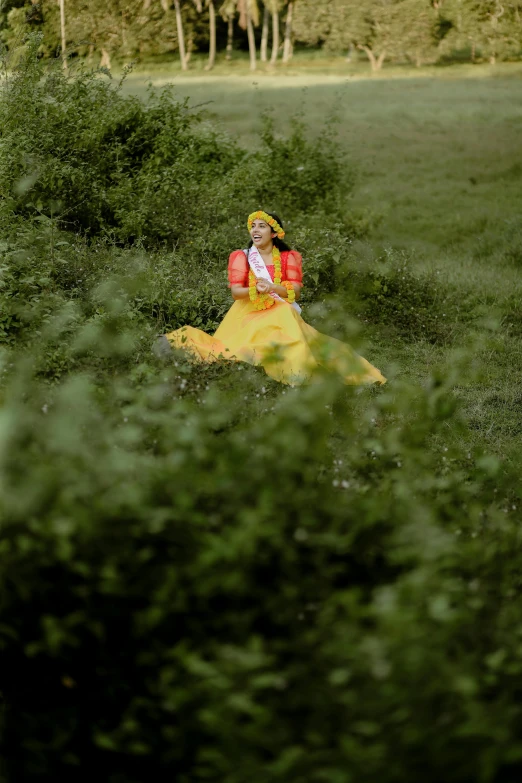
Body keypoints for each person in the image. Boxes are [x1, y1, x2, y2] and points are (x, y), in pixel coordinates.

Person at [163, 210, 386, 386]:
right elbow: (235, 292)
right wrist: (257, 290)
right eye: (253, 226)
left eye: (262, 226)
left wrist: (272, 287)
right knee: (234, 348)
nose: (255, 230)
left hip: (280, 310)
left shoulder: (290, 258)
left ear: (274, 233)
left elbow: (296, 292)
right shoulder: (242, 257)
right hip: (247, 312)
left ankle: (294, 372)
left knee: (287, 317)